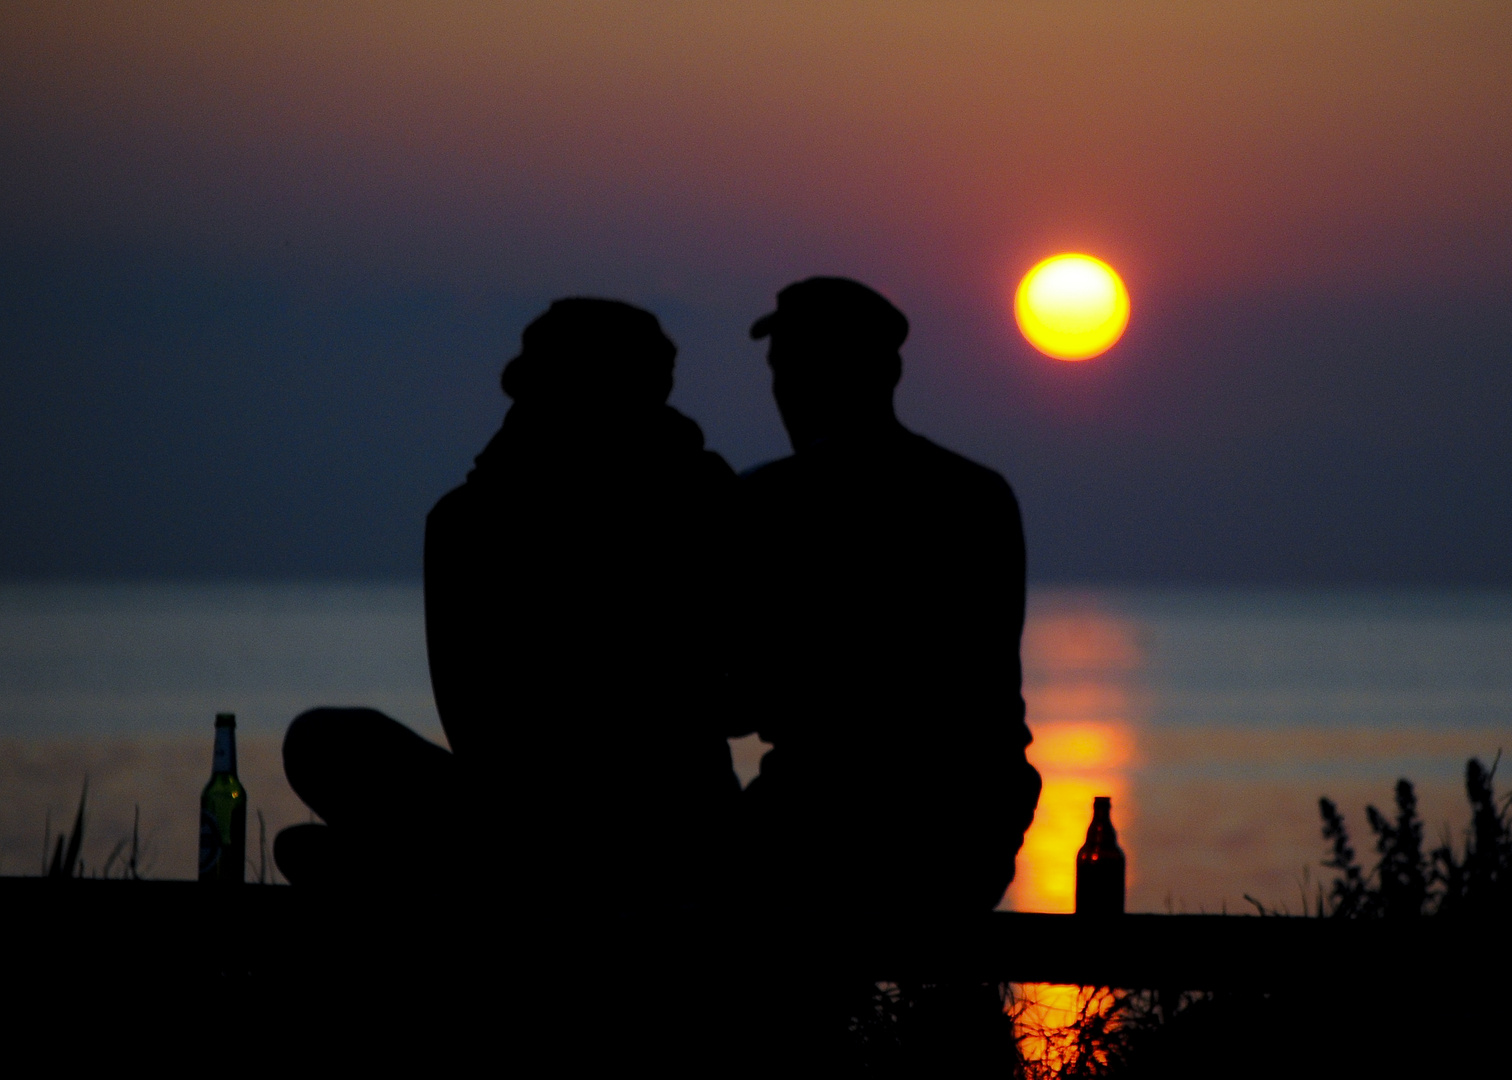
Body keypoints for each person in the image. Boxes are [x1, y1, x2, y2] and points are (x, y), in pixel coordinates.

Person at [275, 298, 741, 915]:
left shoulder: (471, 521)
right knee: (322, 741)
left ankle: (444, 886)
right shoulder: (702, 493)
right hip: (593, 828)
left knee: (322, 757)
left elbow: (478, 731)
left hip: (636, 836)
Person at [737, 276, 1041, 916]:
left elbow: (734, 696)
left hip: (821, 823)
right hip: (970, 827)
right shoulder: (978, 496)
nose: (782, 390)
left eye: (792, 367)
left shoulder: (772, 501)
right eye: (778, 369)